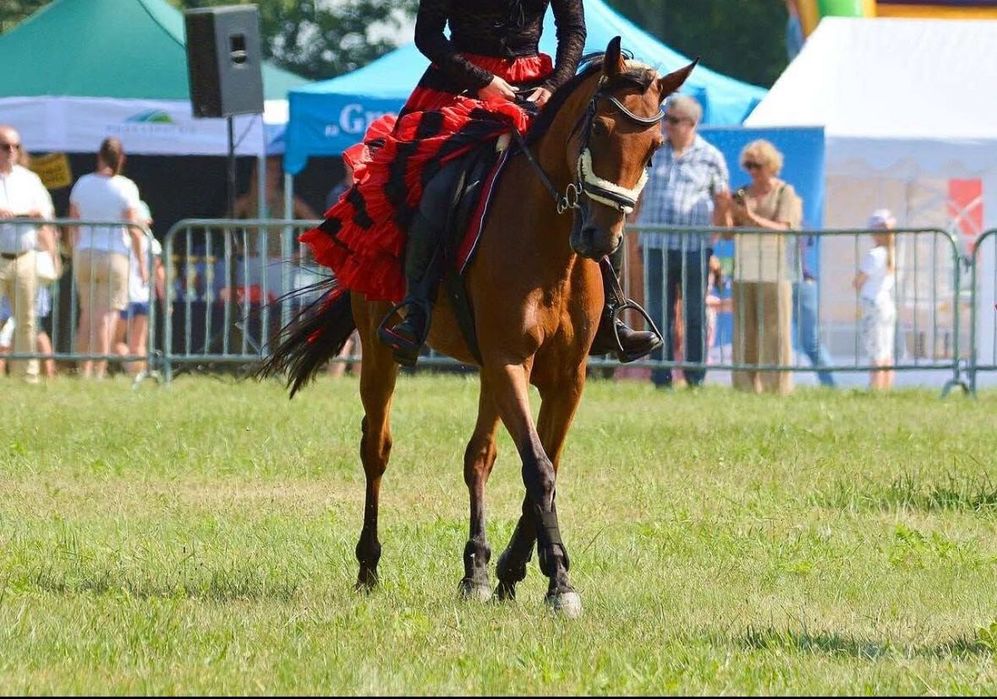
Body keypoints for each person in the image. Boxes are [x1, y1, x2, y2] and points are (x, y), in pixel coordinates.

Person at [302, 1, 659, 367]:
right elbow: (427, 35)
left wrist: (554, 85)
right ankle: (416, 309)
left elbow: (573, 30)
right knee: (440, 186)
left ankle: (611, 313)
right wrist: (483, 81)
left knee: (591, 185)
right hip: (461, 87)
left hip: (539, 86)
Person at [635, 94, 731, 389]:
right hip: (655, 244)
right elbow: (636, 192)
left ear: (692, 124)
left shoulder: (710, 156)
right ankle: (661, 376)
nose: (667, 125)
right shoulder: (653, 151)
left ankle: (695, 376)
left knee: (694, 312)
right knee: (657, 311)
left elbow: (722, 199)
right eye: (665, 119)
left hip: (694, 247)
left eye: (674, 120)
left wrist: (715, 234)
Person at [723, 139, 802, 395]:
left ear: (770, 165)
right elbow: (728, 233)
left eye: (756, 165)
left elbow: (785, 227)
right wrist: (727, 211)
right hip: (746, 267)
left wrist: (750, 217)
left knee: (775, 328)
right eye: (748, 165)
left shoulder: (784, 192)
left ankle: (776, 386)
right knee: (745, 327)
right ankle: (745, 386)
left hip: (776, 268)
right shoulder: (743, 192)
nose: (752, 171)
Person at [69, 137, 146, 380]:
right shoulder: (126, 187)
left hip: (85, 252)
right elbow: (134, 229)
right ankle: (99, 372)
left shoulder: (82, 183)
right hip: (114, 255)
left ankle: (83, 370)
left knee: (87, 314)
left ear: (99, 156)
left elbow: (72, 223)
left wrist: (75, 251)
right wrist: (142, 263)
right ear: (121, 159)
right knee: (107, 316)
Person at [0, 124, 56, 383]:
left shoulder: (30, 179)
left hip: (24, 255)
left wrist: (27, 215)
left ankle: (28, 377)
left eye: (15, 146)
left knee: (27, 320)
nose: (11, 151)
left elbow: (44, 212)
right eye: (5, 146)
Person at [114, 201, 164, 377]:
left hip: (124, 295)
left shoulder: (123, 240)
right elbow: (159, 271)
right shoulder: (153, 243)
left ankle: (130, 369)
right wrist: (164, 297)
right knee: (139, 344)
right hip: (145, 296)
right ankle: (139, 373)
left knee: (115, 340)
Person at [853, 208, 897, 391]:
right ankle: (887, 386)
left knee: (875, 350)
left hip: (872, 303)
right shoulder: (891, 254)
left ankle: (875, 387)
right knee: (886, 348)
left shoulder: (875, 255)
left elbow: (859, 281)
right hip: (886, 303)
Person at [793, 237, 836, 388]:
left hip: (799, 283)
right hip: (792, 283)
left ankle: (831, 386)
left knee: (811, 343)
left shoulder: (795, 223)